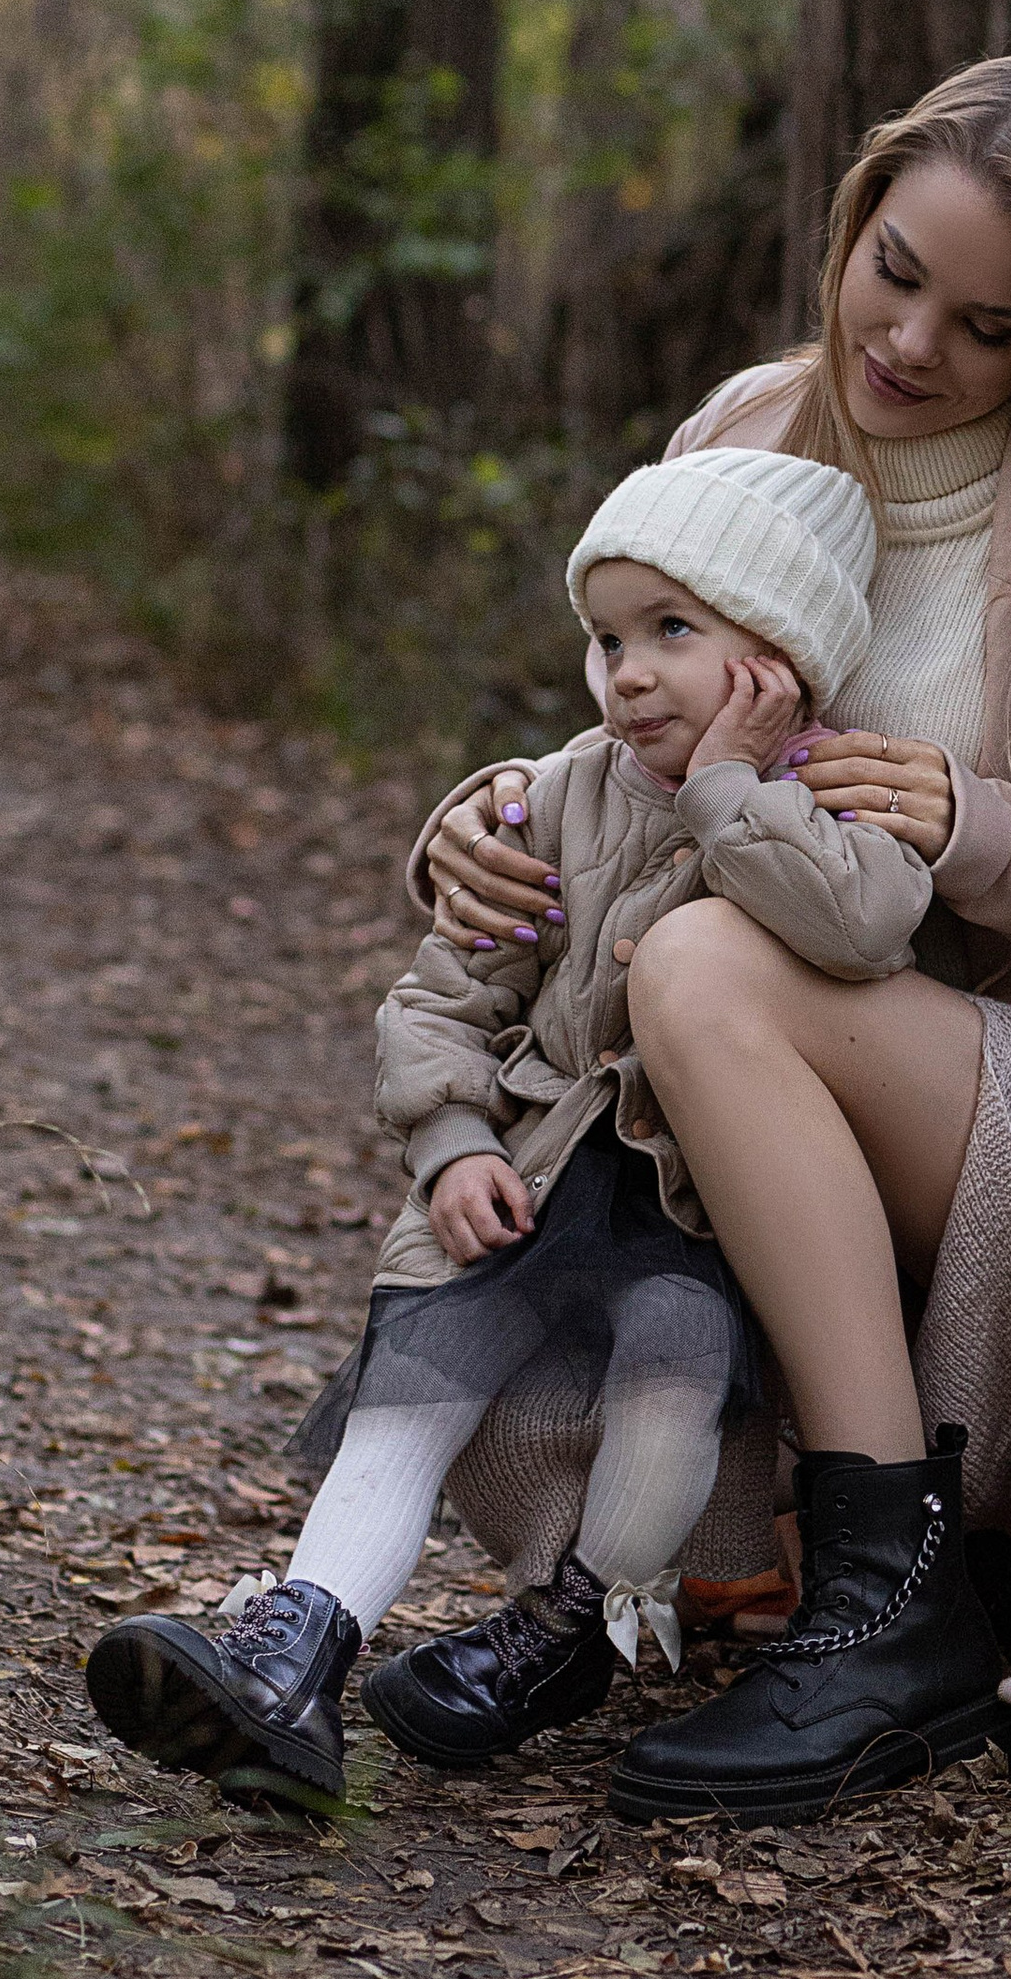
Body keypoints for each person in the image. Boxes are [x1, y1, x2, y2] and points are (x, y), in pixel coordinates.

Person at [424, 53, 1011, 1818]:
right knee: (686, 970)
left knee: (700, 967)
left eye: (987, 326)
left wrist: (980, 829)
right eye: (895, 271)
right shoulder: (745, 429)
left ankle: (886, 1607)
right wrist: (486, 820)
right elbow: (640, 745)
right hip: (793, 1066)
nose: (912, 345)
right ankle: (601, 1593)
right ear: (857, 211)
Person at [81, 444, 939, 1810]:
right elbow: (437, 1003)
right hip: (528, 1179)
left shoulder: (836, 802)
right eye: (606, 638)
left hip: (694, 1221)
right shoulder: (550, 800)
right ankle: (294, 1655)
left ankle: (567, 1631)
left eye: (673, 631)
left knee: (668, 1397)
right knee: (411, 1391)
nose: (630, 673)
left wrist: (727, 790)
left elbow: (868, 925)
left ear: (778, 660)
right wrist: (452, 1147)